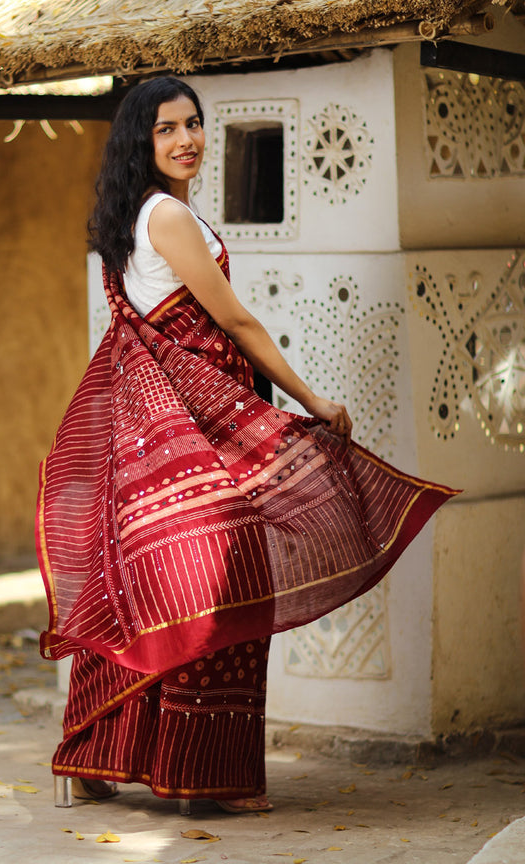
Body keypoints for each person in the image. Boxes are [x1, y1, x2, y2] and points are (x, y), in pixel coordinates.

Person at [35, 76, 458, 813]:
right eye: (167, 129)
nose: (187, 140)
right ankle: (206, 775)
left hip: (171, 431)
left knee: (155, 589)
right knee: (224, 587)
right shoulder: (168, 216)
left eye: (193, 124)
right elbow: (234, 321)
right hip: (198, 427)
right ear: (142, 142)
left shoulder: (136, 214)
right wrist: (310, 398)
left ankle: (98, 757)